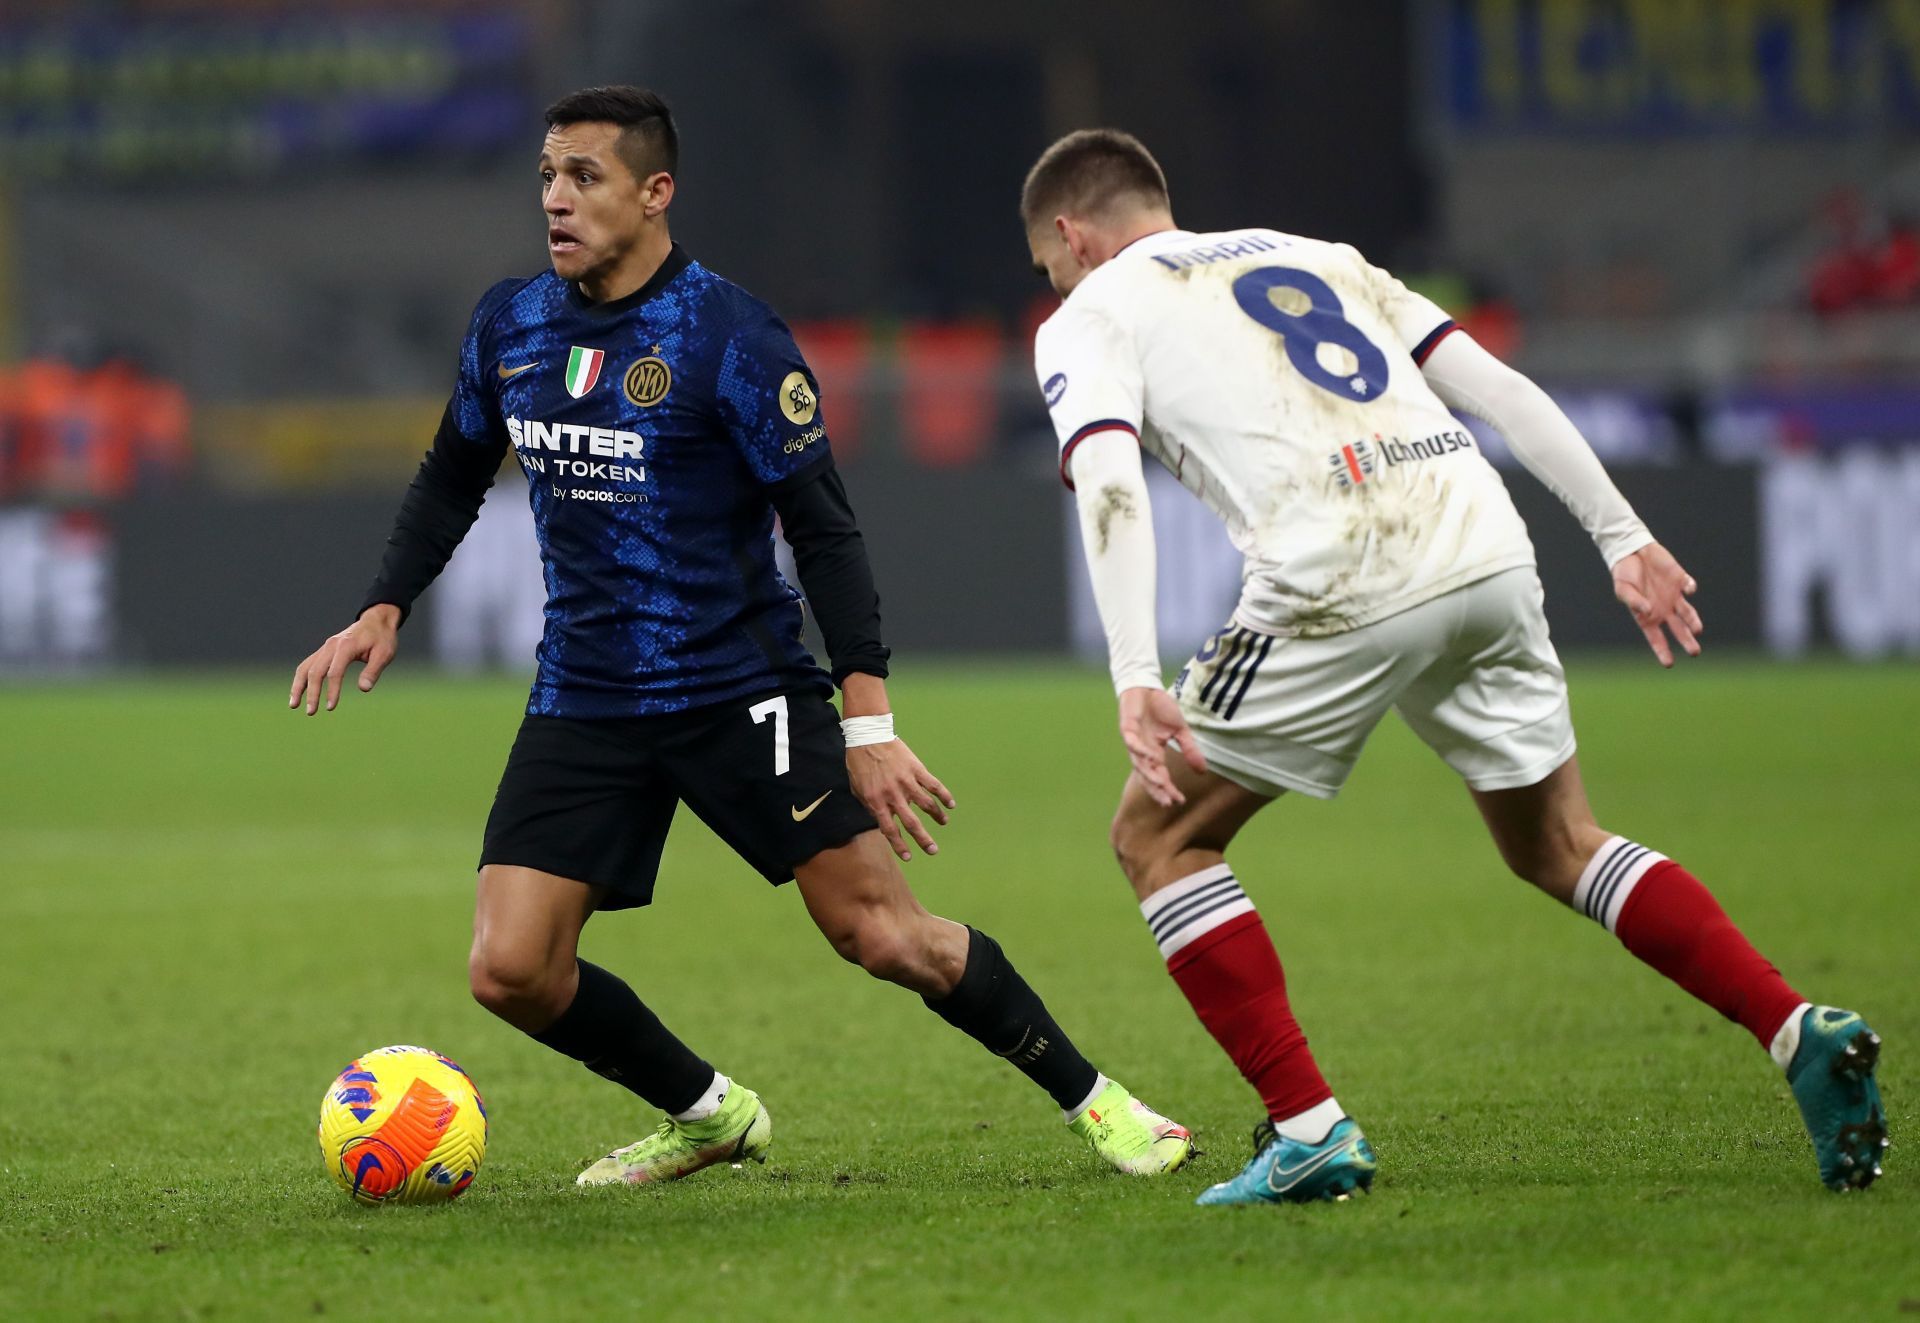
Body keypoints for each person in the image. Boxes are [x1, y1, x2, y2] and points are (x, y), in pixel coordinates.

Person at [291, 88, 1191, 1188]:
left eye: (585, 177)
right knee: (510, 968)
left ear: (655, 193)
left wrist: (868, 720)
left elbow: (826, 529)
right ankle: (709, 1114)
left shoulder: (728, 335)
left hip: (741, 692)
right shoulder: (511, 324)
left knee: (884, 936)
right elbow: (450, 475)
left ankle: (1100, 1103)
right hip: (586, 694)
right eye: (546, 177)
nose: (557, 200)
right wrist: (384, 602)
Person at [1020, 128, 1887, 1206]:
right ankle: (1796, 1030)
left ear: (1070, 235)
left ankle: (1309, 1129)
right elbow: (1505, 393)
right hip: (1481, 539)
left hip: (1337, 572)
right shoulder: (1322, 253)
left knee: (1157, 837)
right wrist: (1623, 537)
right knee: (1561, 843)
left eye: (1047, 268)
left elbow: (1108, 483)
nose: (1052, 286)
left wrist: (1133, 673)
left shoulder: (1090, 315)